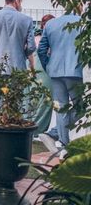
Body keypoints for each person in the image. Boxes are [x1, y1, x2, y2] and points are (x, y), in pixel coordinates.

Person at [38, 9, 83, 150]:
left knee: (61, 108)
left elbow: (42, 49)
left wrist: (48, 66)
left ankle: (62, 142)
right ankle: (58, 136)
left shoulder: (51, 24)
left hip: (55, 71)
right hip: (77, 70)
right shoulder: (84, 23)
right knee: (80, 106)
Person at [32, 14, 59, 147]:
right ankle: (38, 130)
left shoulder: (38, 37)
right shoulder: (49, 38)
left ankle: (35, 128)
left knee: (37, 99)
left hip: (37, 68)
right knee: (45, 100)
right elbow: (43, 51)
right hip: (45, 69)